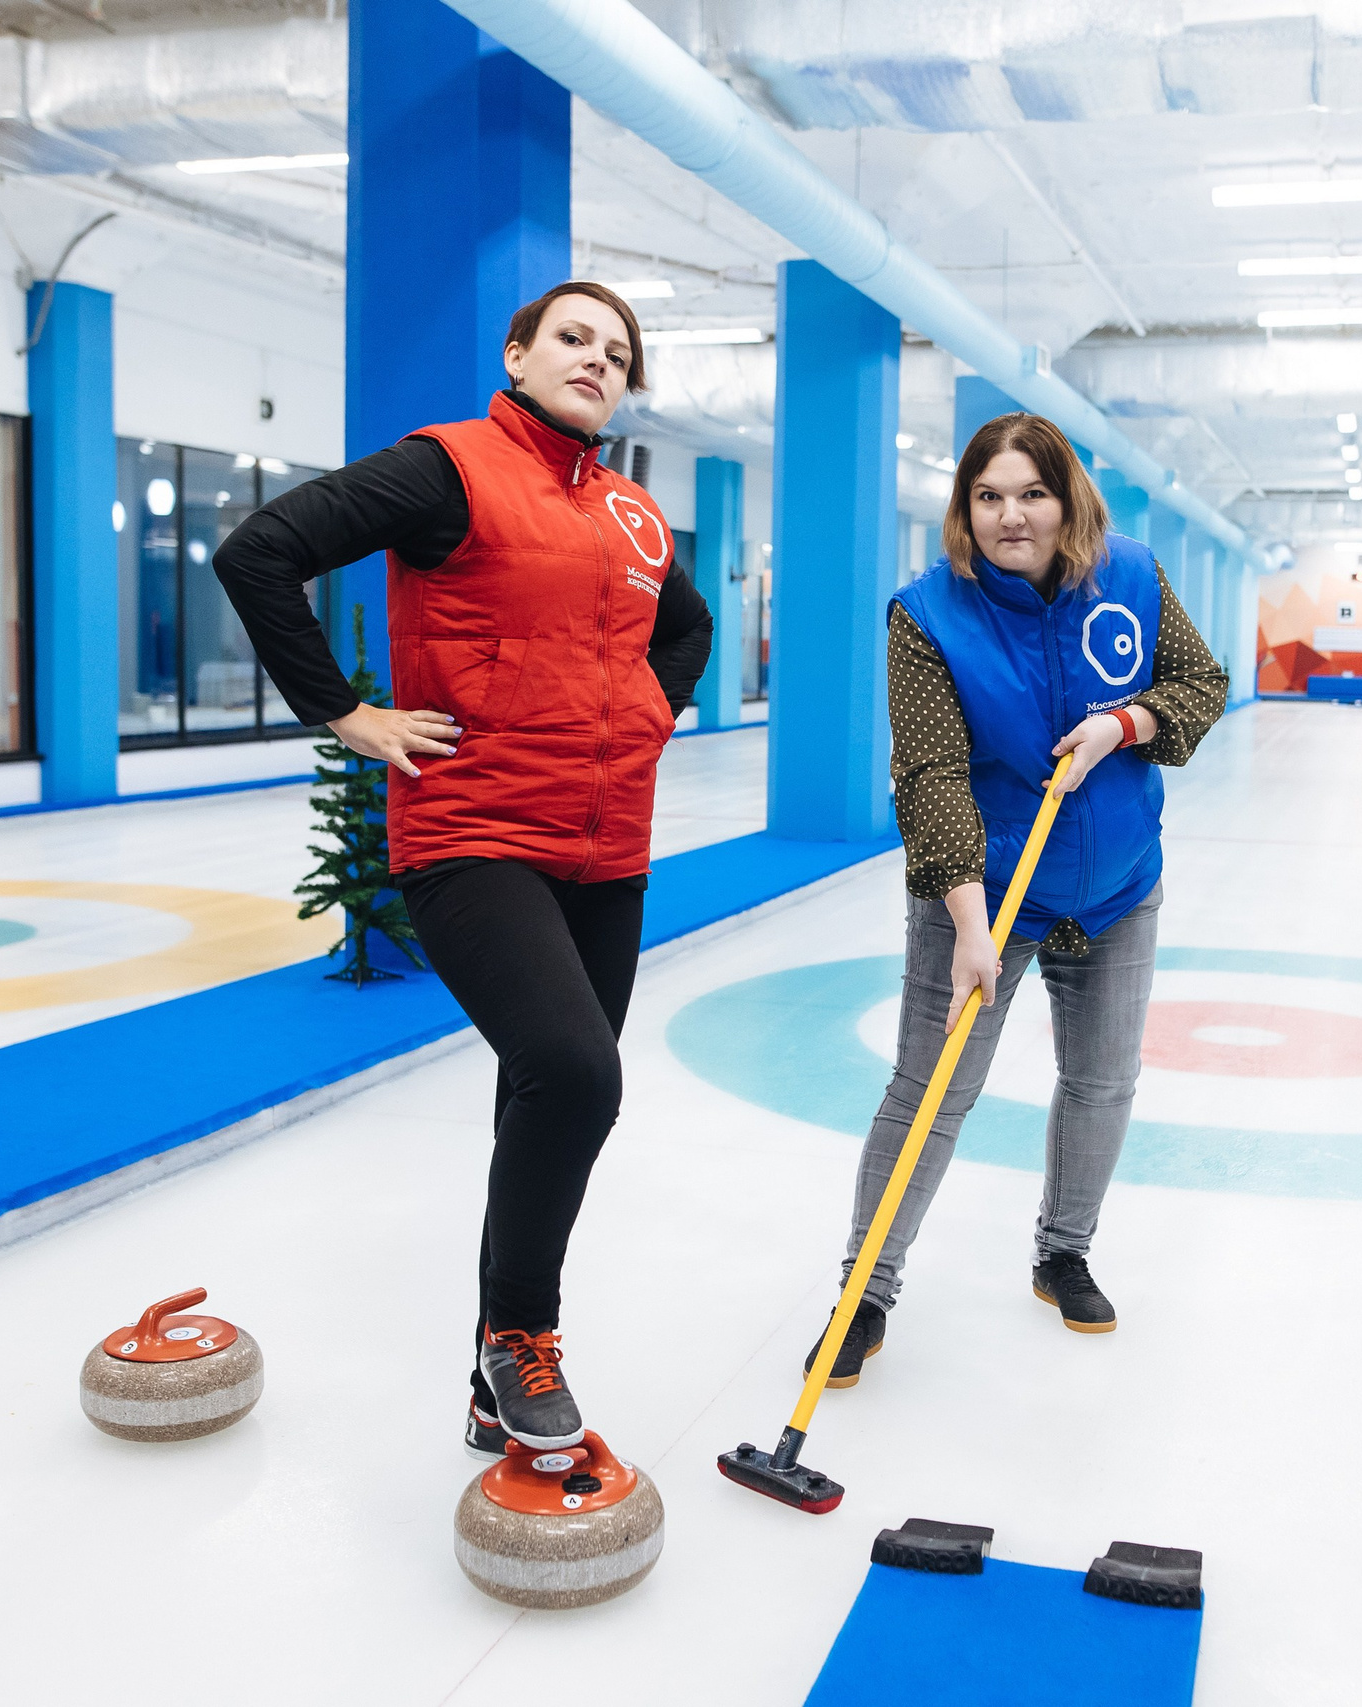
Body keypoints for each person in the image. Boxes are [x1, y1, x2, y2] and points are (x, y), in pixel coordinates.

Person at [214, 282, 711, 1456]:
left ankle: (493, 1380)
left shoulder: (635, 514)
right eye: (575, 339)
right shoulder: (448, 469)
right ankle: (525, 1338)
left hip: (606, 843)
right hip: (474, 833)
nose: (597, 359)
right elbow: (261, 553)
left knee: (541, 1095)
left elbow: (680, 629)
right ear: (519, 353)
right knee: (577, 1073)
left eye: (618, 351)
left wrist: (652, 709)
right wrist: (345, 712)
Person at [808, 412, 1229, 1388]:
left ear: (1066, 498)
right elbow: (930, 777)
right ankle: (864, 1291)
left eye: (1031, 493)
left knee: (1102, 1079)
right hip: (986, 888)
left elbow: (1198, 684)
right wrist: (964, 920)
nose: (1010, 516)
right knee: (930, 1088)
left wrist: (1124, 724)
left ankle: (1062, 1251)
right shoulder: (927, 613)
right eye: (987, 496)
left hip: (1119, 881)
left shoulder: (1129, 573)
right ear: (963, 508)